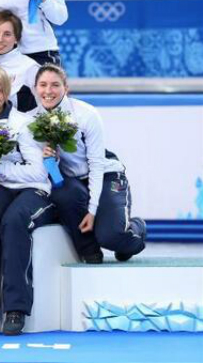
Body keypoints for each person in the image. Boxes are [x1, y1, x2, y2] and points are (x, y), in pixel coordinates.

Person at [30, 64, 147, 264]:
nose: (48, 91)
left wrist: (92, 211)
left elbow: (96, 164)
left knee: (111, 237)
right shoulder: (34, 120)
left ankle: (137, 228)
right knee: (62, 192)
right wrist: (52, 157)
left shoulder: (86, 114)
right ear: (35, 88)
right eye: (43, 85)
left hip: (104, 174)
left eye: (55, 85)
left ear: (66, 88)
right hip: (74, 181)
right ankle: (89, 250)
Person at [0, 64, 52, 336]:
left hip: (32, 189)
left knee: (15, 221)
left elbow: (38, 171)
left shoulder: (22, 123)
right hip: (2, 188)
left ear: (6, 93)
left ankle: (16, 308)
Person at [0, 10, 39, 112]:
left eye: (7, 34)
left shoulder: (30, 67)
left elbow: (45, 106)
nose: (0, 39)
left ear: (16, 38)